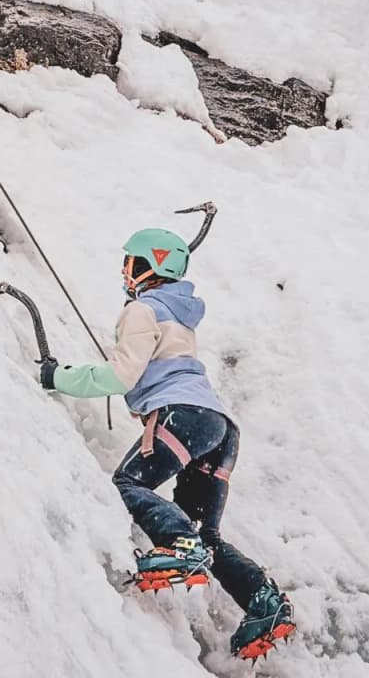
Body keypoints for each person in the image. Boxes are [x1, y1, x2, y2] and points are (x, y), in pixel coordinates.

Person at [38, 227, 296, 660]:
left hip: (183, 416)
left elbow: (121, 375)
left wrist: (57, 377)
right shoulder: (177, 314)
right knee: (206, 533)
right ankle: (263, 602)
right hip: (218, 427)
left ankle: (179, 546)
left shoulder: (142, 311)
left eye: (130, 262)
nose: (125, 270)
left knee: (127, 484)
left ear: (148, 265)